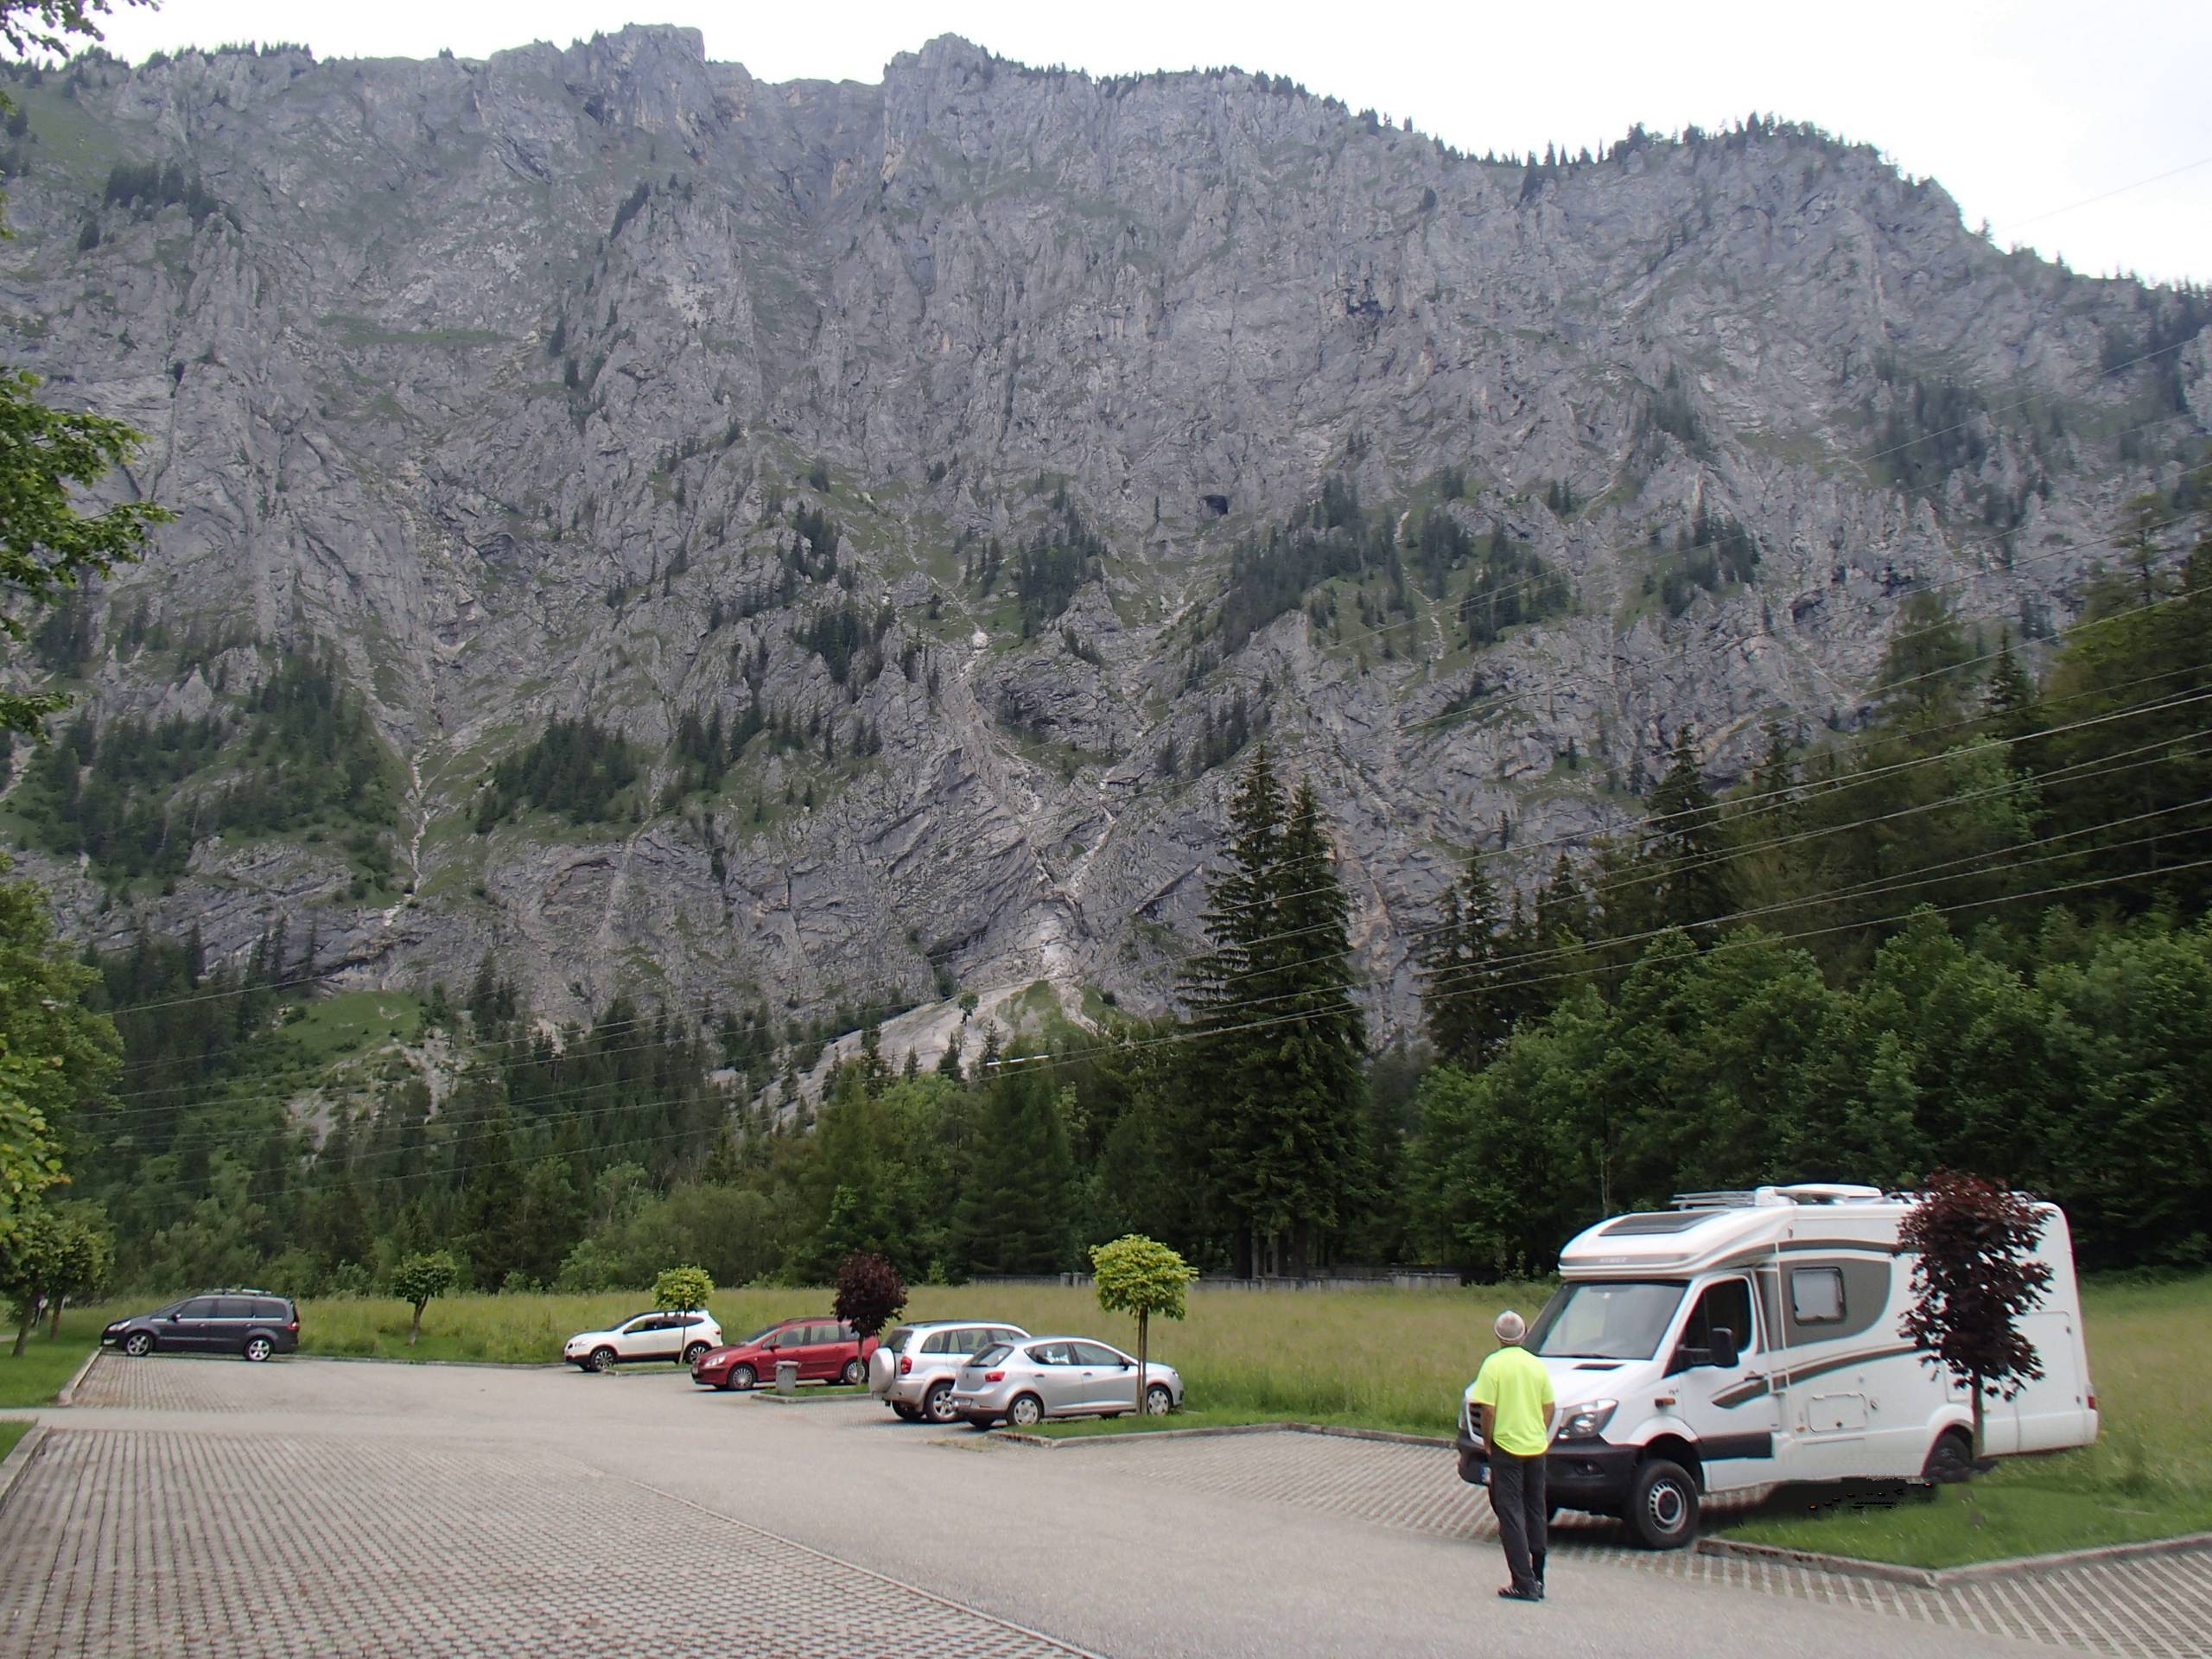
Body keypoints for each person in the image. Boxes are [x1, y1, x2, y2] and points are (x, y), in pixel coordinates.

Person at [1471, 1308, 1555, 1602]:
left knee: (1510, 1511)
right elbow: (1550, 1406)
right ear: (1525, 1333)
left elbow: (1488, 1409)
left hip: (1507, 1446)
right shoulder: (1536, 1365)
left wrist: (1488, 1440)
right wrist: (1539, 1430)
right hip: (1535, 1445)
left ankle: (1523, 1581)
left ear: (1498, 1337)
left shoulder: (1493, 1366)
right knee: (1536, 1508)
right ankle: (1539, 1575)